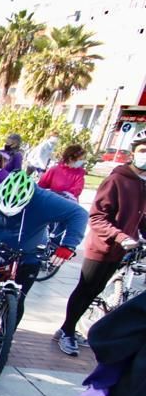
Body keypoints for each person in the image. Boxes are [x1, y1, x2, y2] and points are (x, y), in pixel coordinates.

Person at [56, 130, 146, 356]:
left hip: (122, 249)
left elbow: (141, 216)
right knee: (86, 288)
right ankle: (67, 330)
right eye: (143, 150)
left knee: (96, 290)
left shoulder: (142, 183)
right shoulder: (117, 179)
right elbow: (97, 217)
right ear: (133, 153)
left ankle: (68, 327)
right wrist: (120, 236)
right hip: (103, 246)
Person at [0, 171, 87, 343]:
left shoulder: (44, 199)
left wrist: (68, 245)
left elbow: (79, 214)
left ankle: (5, 336)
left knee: (19, 297)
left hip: (28, 252)